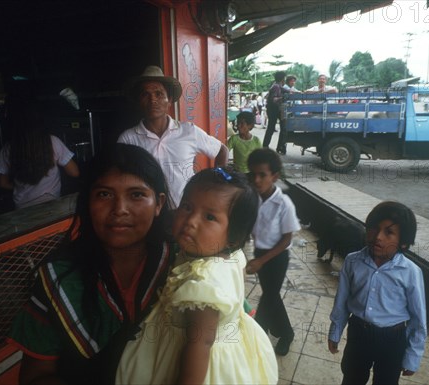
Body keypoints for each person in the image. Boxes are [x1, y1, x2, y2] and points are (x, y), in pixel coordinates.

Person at [7, 143, 175, 384]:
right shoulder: (59, 276)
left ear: (159, 203)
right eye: (104, 194)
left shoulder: (186, 266)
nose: (120, 209)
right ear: (87, 202)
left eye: (136, 194)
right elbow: (36, 376)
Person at [116, 166, 278, 384]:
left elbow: (200, 344)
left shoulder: (204, 282)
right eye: (187, 207)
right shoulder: (228, 254)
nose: (191, 221)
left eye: (209, 217)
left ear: (234, 236)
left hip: (198, 365)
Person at [328, 201, 427, 385]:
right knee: (352, 377)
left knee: (386, 381)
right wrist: (335, 331)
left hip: (392, 339)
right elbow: (341, 302)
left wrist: (413, 356)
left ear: (403, 243)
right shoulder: (352, 262)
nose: (378, 237)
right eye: (374, 228)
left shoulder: (410, 272)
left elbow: (418, 319)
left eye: (389, 232)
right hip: (359, 333)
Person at [118, 65, 228, 206]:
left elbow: (222, 150)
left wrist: (217, 181)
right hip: (148, 214)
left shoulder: (189, 131)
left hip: (186, 210)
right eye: (146, 94)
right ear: (139, 102)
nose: (153, 100)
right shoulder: (128, 139)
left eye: (159, 94)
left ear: (169, 100)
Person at [246, 148, 300, 356]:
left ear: (274, 177)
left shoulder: (284, 203)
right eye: (253, 175)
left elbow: (287, 238)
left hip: (277, 257)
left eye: (262, 175)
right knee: (272, 296)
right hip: (260, 252)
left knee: (269, 296)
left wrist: (262, 261)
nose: (256, 180)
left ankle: (273, 332)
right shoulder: (254, 198)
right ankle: (277, 330)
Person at [0, 100, 79, 209]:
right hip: (51, 205)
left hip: (22, 209)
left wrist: (20, 188)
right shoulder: (53, 141)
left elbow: (2, 183)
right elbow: (74, 172)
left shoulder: (9, 147)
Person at [263, 71, 287, 154]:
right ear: (282, 79)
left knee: (274, 128)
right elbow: (273, 100)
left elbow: (287, 91)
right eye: (284, 78)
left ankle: (277, 147)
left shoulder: (278, 85)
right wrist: (282, 97)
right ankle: (268, 146)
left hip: (274, 110)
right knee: (274, 128)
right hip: (273, 110)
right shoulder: (276, 87)